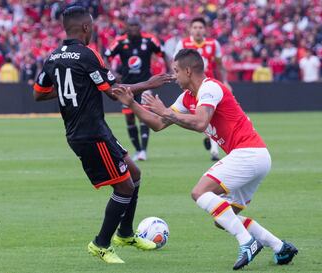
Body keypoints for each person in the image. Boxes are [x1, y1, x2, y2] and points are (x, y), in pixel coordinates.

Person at [113, 49, 298, 270]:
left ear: (188, 71)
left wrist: (165, 111)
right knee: (224, 219)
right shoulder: (187, 97)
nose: (174, 76)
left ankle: (247, 243)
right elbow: (158, 123)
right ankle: (280, 248)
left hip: (248, 153)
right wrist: (131, 104)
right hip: (254, 157)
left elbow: (200, 122)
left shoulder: (210, 88)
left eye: (176, 71)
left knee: (199, 192)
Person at [33, 7, 173, 264]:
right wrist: (148, 84)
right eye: (92, 26)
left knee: (134, 173)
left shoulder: (53, 57)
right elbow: (113, 91)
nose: (94, 30)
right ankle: (101, 244)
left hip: (94, 129)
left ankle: (126, 233)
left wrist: (76, 86)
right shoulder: (88, 55)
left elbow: (38, 92)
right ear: (86, 28)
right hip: (89, 134)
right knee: (125, 186)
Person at [104, 18, 170, 161]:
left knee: (144, 116)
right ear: (127, 27)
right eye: (131, 25)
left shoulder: (150, 40)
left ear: (140, 27)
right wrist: (113, 74)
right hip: (127, 86)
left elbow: (163, 54)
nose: (133, 28)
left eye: (136, 25)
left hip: (146, 84)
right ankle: (138, 149)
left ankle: (143, 151)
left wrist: (169, 71)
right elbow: (106, 57)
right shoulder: (120, 41)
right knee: (129, 118)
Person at [173, 17, 229, 161]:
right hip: (193, 88)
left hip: (210, 87)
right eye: (195, 27)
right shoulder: (183, 43)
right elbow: (176, 65)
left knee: (210, 118)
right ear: (190, 29)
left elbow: (219, 65)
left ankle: (214, 150)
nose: (198, 30)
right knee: (203, 119)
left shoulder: (213, 44)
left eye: (200, 27)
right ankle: (211, 139)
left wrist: (226, 82)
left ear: (205, 30)